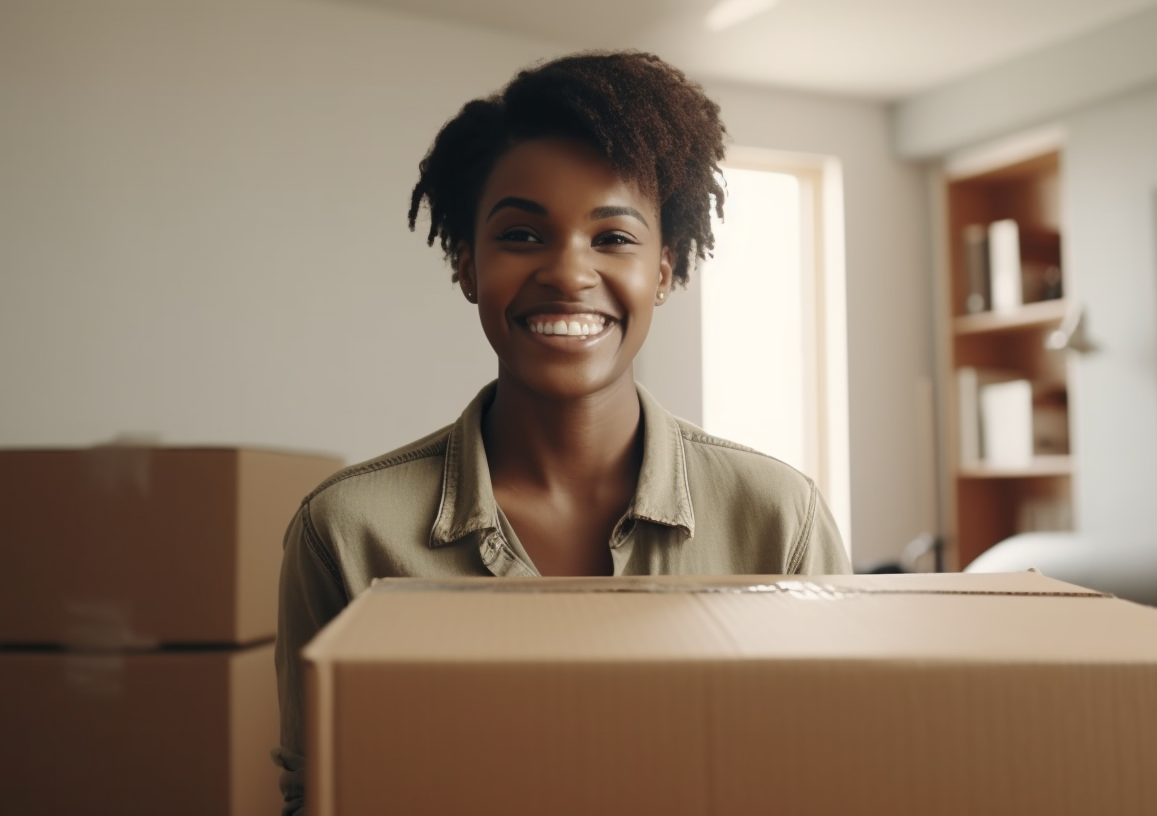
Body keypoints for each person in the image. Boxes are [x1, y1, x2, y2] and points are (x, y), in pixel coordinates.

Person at [271, 50, 849, 815]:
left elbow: (839, 771)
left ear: (666, 271)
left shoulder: (780, 517)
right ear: (466, 265)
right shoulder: (345, 532)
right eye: (521, 236)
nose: (570, 273)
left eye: (612, 238)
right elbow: (320, 793)